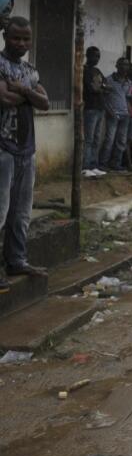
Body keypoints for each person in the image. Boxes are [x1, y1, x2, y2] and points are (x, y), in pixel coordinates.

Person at [0, 17, 50, 292]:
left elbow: (44, 102)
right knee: (0, 211)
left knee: (21, 213)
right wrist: (28, 93)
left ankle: (17, 260)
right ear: (6, 36)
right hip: (3, 147)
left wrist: (22, 89)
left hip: (26, 149)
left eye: (25, 39)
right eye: (15, 37)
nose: (21, 43)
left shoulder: (30, 70)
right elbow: (4, 99)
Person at [99, 58, 132, 172]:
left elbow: (127, 98)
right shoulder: (108, 80)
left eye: (127, 65)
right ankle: (103, 163)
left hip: (125, 115)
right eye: (122, 65)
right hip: (113, 114)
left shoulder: (129, 82)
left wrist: (129, 112)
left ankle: (116, 163)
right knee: (110, 139)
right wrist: (109, 111)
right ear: (117, 65)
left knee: (121, 141)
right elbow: (103, 97)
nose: (124, 67)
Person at [82, 46, 106, 177]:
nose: (97, 59)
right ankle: (85, 166)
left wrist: (101, 88)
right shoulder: (84, 70)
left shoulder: (97, 71)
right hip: (90, 108)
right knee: (89, 139)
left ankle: (93, 164)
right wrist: (101, 88)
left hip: (100, 108)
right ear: (88, 55)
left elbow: (105, 86)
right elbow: (92, 89)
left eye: (98, 56)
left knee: (97, 138)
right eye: (94, 56)